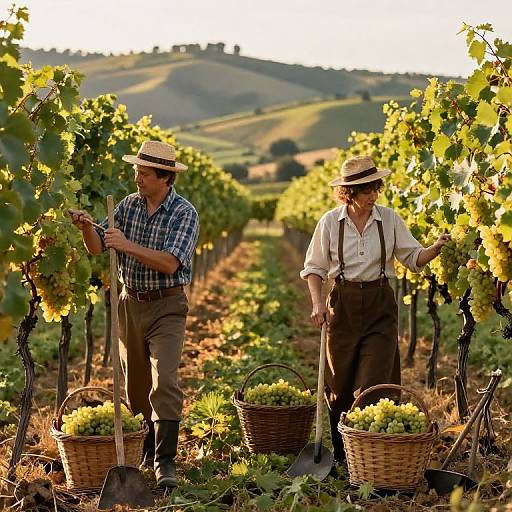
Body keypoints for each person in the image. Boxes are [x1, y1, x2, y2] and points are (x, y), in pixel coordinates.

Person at [300, 155, 450, 462]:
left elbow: (413, 257)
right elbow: (314, 268)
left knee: (375, 383)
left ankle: (371, 454)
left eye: (375, 188)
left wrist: (434, 248)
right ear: (349, 193)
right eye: (366, 190)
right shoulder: (330, 222)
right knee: (339, 385)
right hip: (343, 304)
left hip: (380, 304)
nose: (373, 195)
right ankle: (344, 455)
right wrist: (318, 303)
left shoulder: (390, 219)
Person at [70, 140, 199, 488]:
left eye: (143, 173)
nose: (137, 178)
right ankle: (142, 450)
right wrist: (87, 229)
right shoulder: (127, 205)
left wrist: (126, 244)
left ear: (164, 178)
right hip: (130, 303)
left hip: (167, 306)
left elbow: (171, 263)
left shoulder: (184, 213)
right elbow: (99, 247)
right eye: (136, 172)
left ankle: (165, 461)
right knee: (136, 385)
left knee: (165, 380)